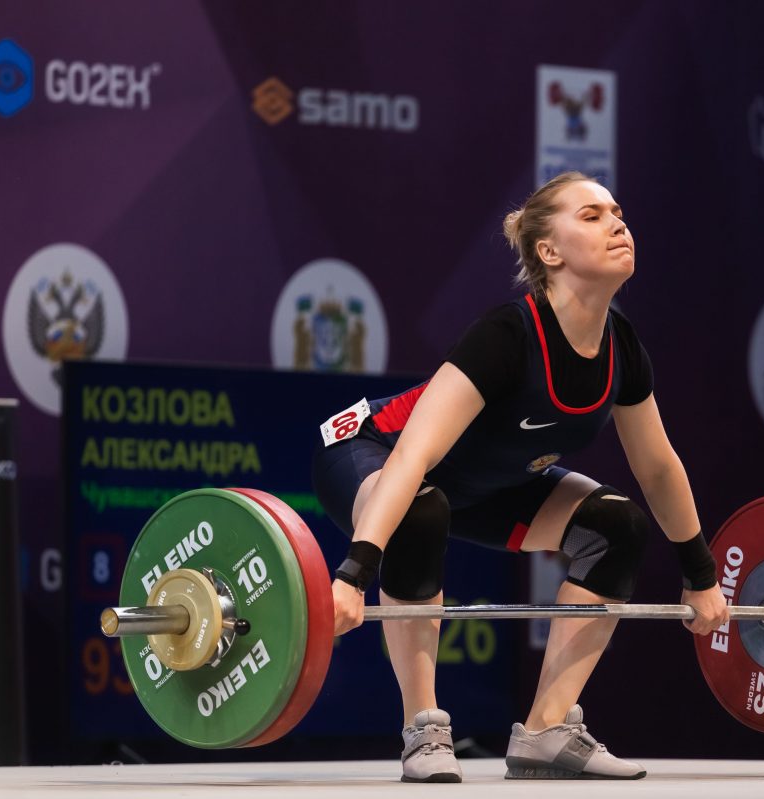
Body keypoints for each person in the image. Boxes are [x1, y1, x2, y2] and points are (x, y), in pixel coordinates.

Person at [311, 171, 730, 782]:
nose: (617, 224)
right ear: (548, 251)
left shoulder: (622, 347)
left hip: (481, 486)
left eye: (617, 212)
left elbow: (658, 467)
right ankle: (423, 729)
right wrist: (353, 574)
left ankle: (545, 733)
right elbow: (413, 457)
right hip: (368, 452)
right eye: (592, 215)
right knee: (421, 508)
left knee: (616, 527)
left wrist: (702, 576)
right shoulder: (507, 336)